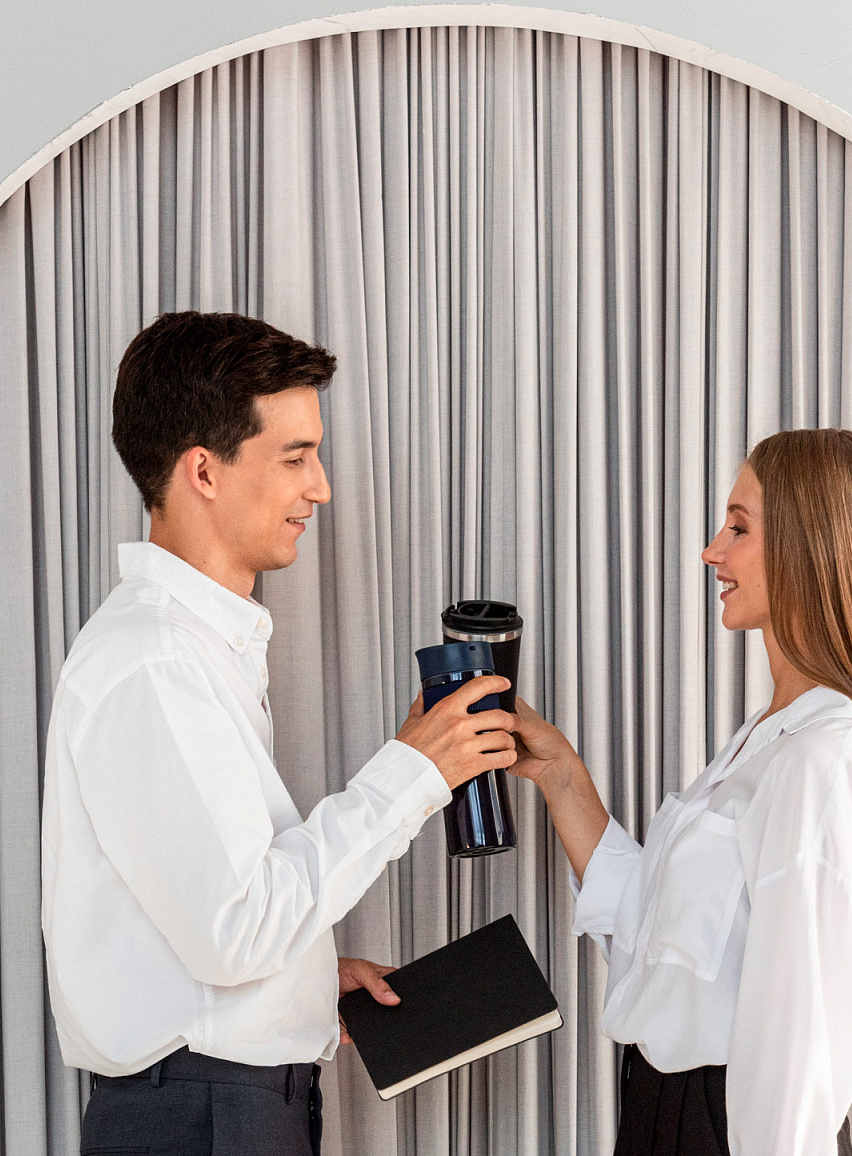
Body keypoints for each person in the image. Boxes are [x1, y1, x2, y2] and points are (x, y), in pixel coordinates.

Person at [41, 311, 517, 1156]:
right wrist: (412, 772)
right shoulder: (157, 661)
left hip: (225, 1106)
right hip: (204, 1118)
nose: (321, 488)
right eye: (296, 457)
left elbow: (205, 915)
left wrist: (300, 981)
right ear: (203, 471)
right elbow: (236, 930)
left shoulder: (192, 651)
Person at [510, 428, 852, 1156]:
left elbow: (799, 1037)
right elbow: (658, 949)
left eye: (739, 528)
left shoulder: (825, 756)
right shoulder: (766, 738)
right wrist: (561, 774)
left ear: (813, 550)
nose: (711, 551)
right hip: (665, 1116)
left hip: (729, 1130)